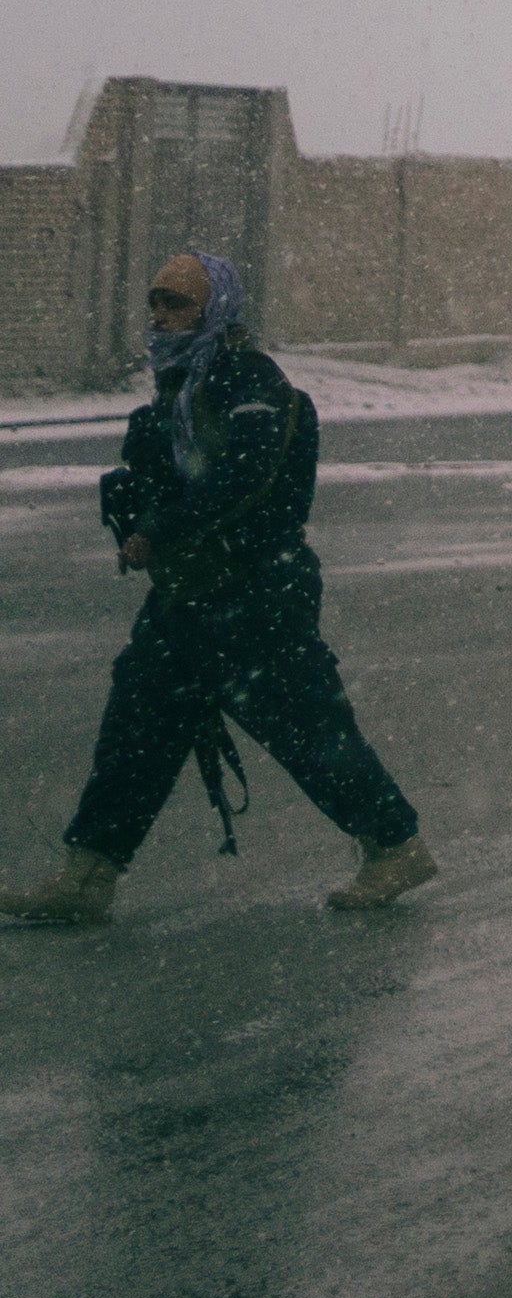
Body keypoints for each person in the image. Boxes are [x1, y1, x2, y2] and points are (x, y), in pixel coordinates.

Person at [3, 252, 437, 930]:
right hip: (188, 596)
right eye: (156, 302)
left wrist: (164, 522)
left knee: (307, 731)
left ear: (217, 309)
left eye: (176, 303)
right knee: (136, 727)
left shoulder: (250, 378)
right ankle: (88, 873)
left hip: (258, 593)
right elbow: (157, 479)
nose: (160, 316)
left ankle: (394, 845)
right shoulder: (172, 392)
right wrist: (127, 503)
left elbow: (247, 476)